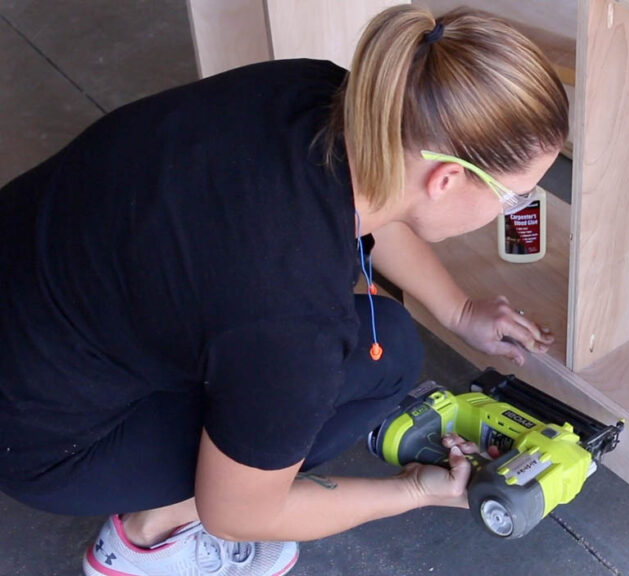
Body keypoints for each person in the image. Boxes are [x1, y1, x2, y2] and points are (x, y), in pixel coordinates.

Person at [0, 5, 568, 575]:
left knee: (384, 336)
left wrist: (460, 309)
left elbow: (383, 198)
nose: (515, 212)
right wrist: (414, 492)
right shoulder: (291, 326)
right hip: (38, 441)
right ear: (445, 180)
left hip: (32, 286)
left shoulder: (315, 89)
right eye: (514, 198)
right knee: (382, 360)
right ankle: (151, 538)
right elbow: (239, 513)